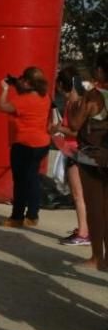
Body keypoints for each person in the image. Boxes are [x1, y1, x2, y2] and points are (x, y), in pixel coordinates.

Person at [0, 67, 52, 228]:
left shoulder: (24, 100)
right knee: (33, 179)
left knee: (20, 181)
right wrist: (16, 84)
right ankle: (33, 215)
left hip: (24, 144)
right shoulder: (45, 97)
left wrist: (5, 89)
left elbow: (2, 106)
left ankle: (17, 217)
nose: (20, 80)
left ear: (28, 82)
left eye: (22, 78)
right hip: (41, 143)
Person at [68, 51, 108, 271]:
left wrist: (75, 100)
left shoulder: (94, 96)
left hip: (93, 160)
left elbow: (74, 124)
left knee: (95, 207)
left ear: (100, 71)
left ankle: (96, 257)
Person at [51, 66, 90, 247]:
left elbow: (76, 131)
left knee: (78, 194)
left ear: (61, 85)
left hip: (76, 152)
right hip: (78, 151)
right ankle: (85, 229)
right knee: (83, 194)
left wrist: (58, 128)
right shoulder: (79, 101)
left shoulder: (74, 103)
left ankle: (83, 232)